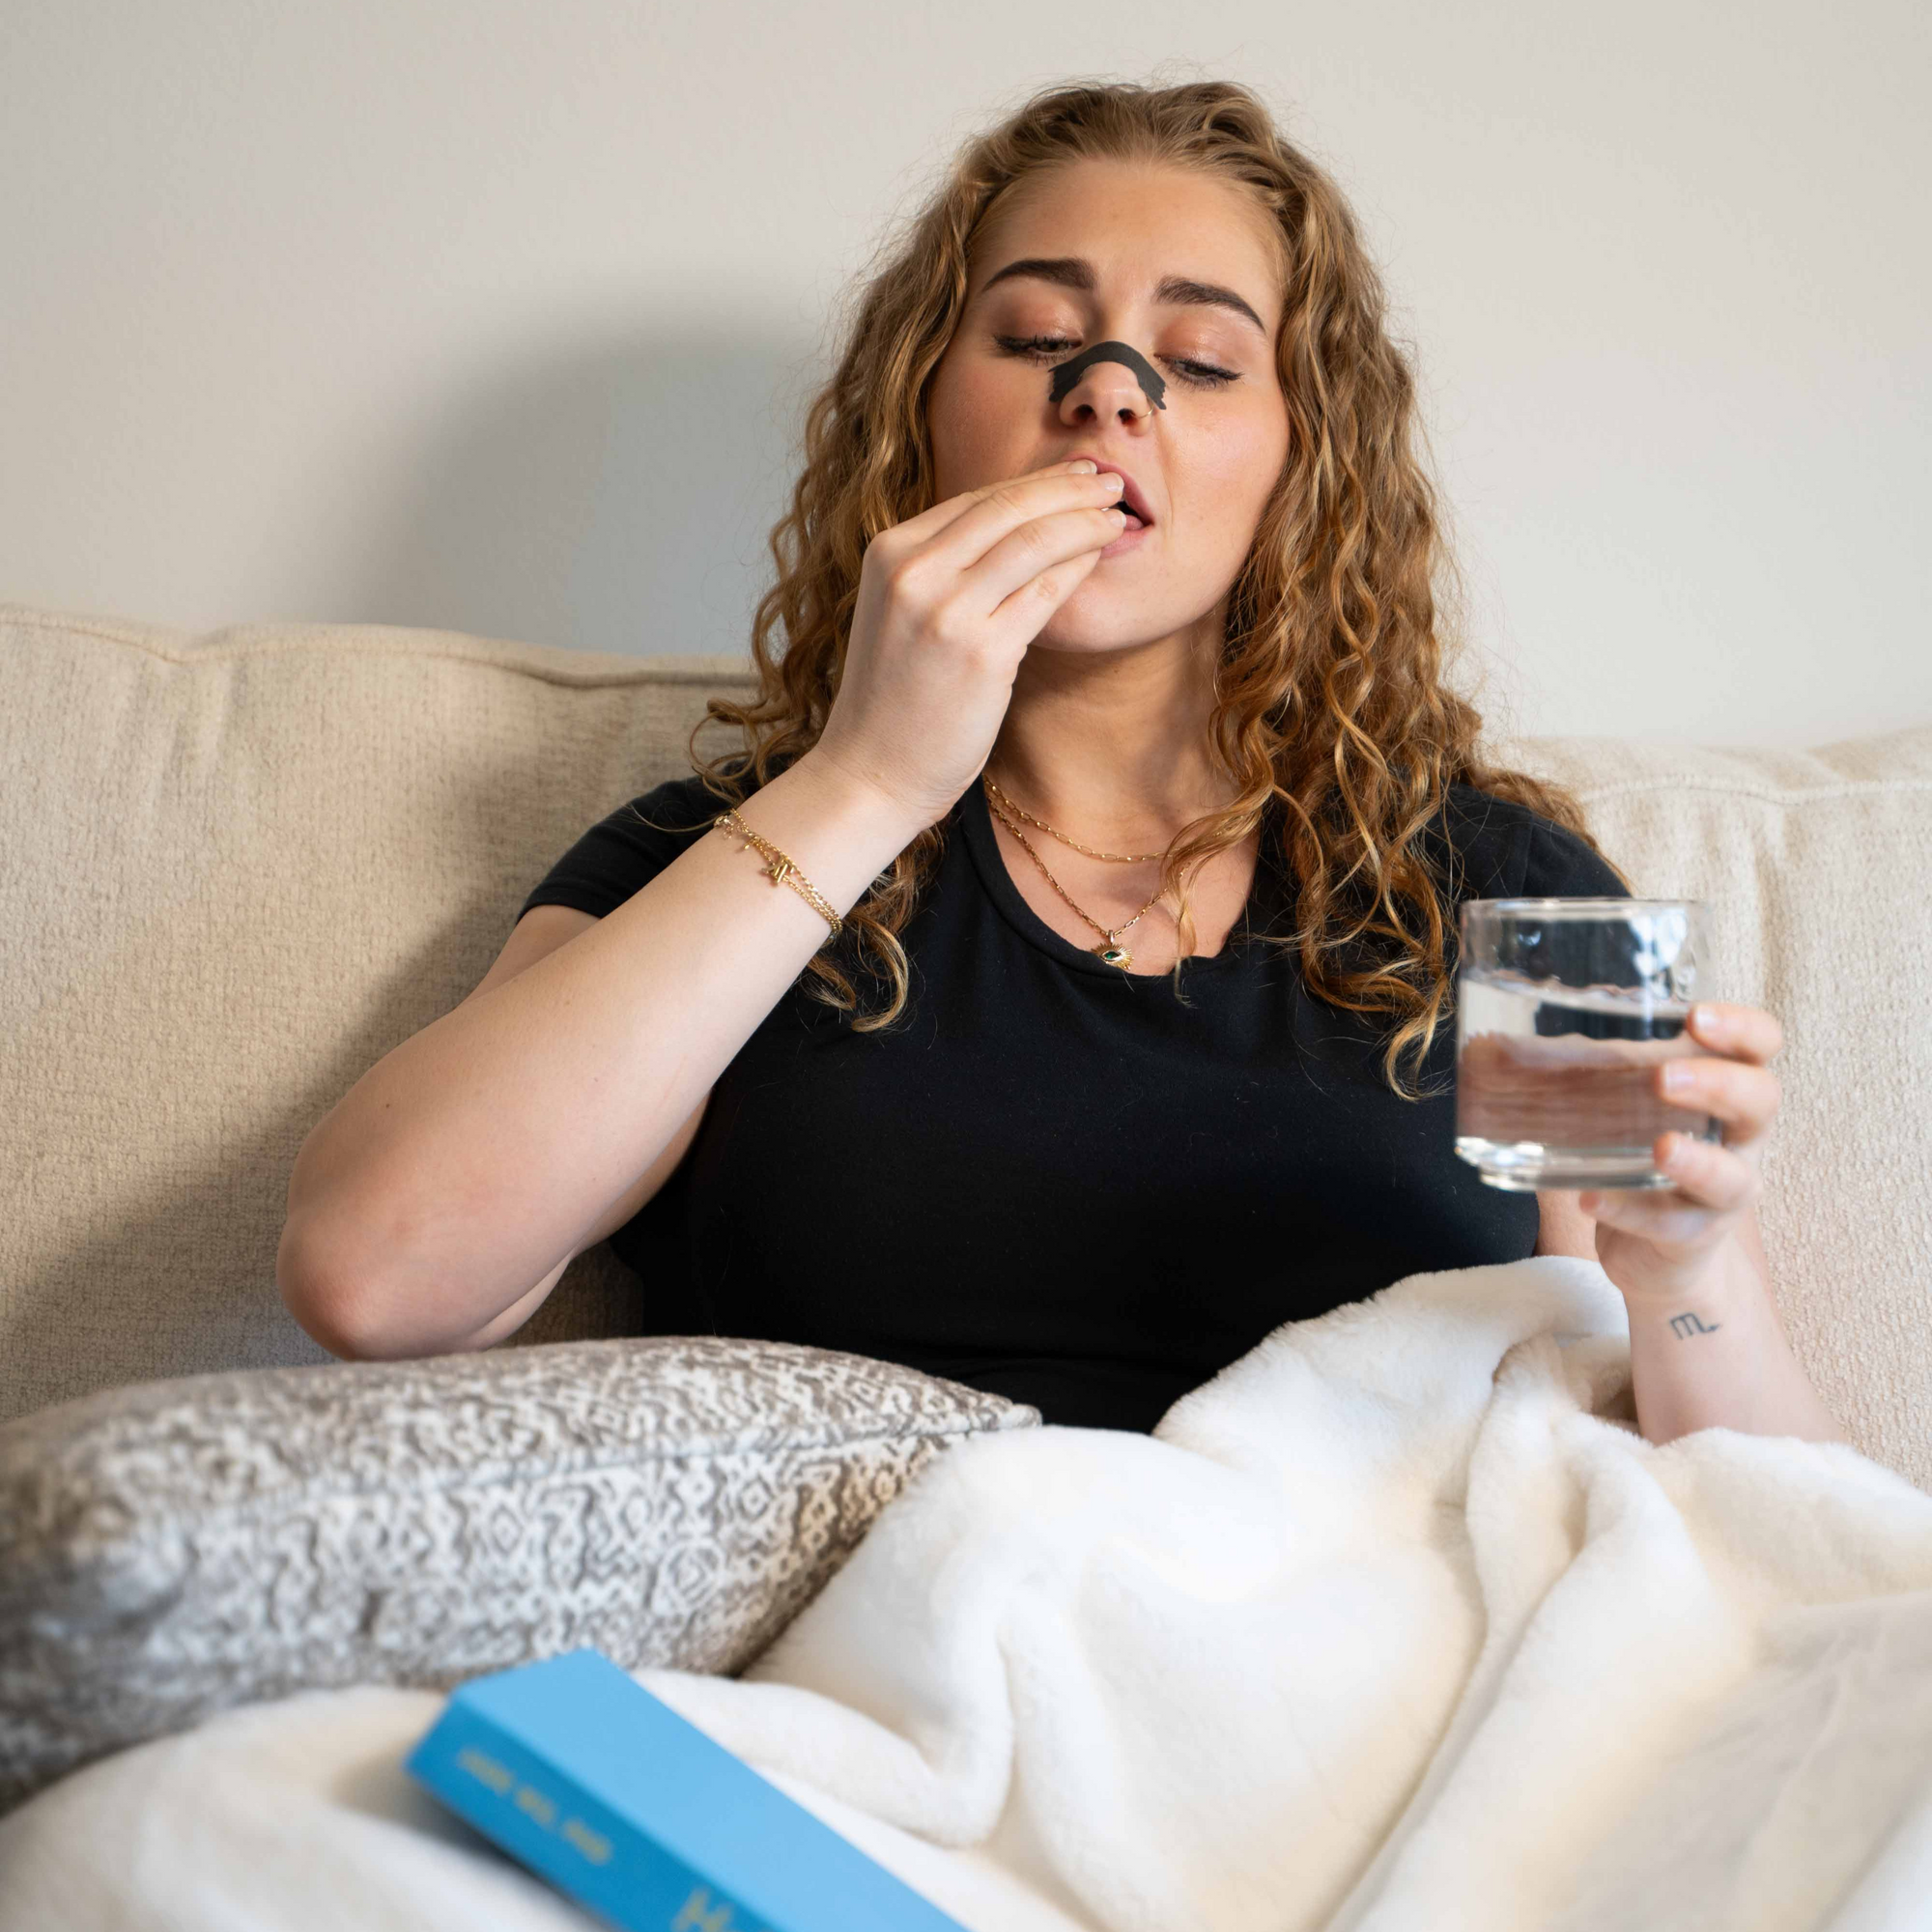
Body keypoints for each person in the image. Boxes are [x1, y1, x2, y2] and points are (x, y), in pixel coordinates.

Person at [278, 78, 1841, 1447]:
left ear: (1303, 469)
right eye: (1037, 337)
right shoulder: (728, 860)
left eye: (1205, 360)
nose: (1110, 390)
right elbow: (376, 1275)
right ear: (922, 421)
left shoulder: (1498, 890)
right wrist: (866, 781)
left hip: (1371, 1692)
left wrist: (1685, 1276)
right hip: (865, 1696)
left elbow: (1765, 1532)